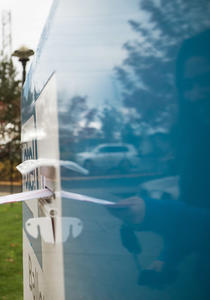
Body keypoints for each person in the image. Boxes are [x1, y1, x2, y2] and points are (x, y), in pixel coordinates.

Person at [108, 29, 210, 294]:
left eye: (206, 80)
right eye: (188, 86)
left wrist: (155, 213)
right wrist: (166, 258)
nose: (197, 92)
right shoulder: (196, 145)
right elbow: (195, 210)